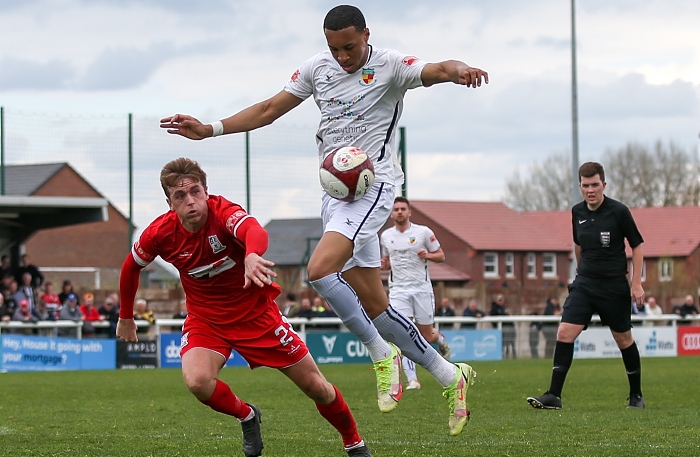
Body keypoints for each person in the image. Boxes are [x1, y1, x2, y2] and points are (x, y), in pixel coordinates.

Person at [160, 5, 484, 435]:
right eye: (334, 48)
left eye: (349, 47)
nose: (343, 57)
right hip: (336, 195)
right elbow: (268, 109)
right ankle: (449, 375)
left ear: (367, 35)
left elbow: (440, 66)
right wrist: (211, 129)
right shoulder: (318, 69)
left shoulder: (391, 66)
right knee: (375, 305)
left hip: (375, 186)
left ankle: (380, 354)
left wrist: (462, 71)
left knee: (318, 269)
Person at [116, 158, 371, 457]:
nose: (191, 201)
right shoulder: (160, 233)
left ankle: (354, 442)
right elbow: (130, 267)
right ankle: (247, 415)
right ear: (170, 203)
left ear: (206, 191)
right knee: (197, 382)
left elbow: (254, 231)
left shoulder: (224, 212)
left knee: (318, 387)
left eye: (196, 191)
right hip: (207, 321)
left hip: (258, 318)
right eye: (180, 196)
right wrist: (126, 317)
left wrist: (251, 254)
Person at [528, 162, 646, 410]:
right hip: (585, 285)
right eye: (585, 185)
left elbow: (637, 245)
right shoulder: (577, 212)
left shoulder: (619, 212)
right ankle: (554, 396)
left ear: (604, 184)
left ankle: (636, 395)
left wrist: (636, 284)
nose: (590, 190)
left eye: (595, 185)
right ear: (580, 186)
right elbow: (577, 244)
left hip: (614, 286)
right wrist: (582, 273)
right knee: (564, 333)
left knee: (624, 339)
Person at [380, 196, 451, 391]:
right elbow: (386, 261)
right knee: (405, 332)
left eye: (403, 209)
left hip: (421, 288)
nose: (400, 212)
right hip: (398, 290)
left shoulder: (423, 232)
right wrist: (384, 265)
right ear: (392, 213)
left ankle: (441, 340)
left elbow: (441, 256)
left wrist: (427, 255)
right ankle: (413, 379)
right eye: (396, 209)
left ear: (409, 212)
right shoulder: (386, 236)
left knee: (426, 335)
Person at [490, 294, 516, 359]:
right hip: (500, 330)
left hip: (508, 329)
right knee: (502, 344)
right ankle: (501, 356)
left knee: (508, 343)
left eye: (502, 300)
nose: (500, 301)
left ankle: (510, 356)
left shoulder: (504, 308)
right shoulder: (494, 309)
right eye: (499, 300)